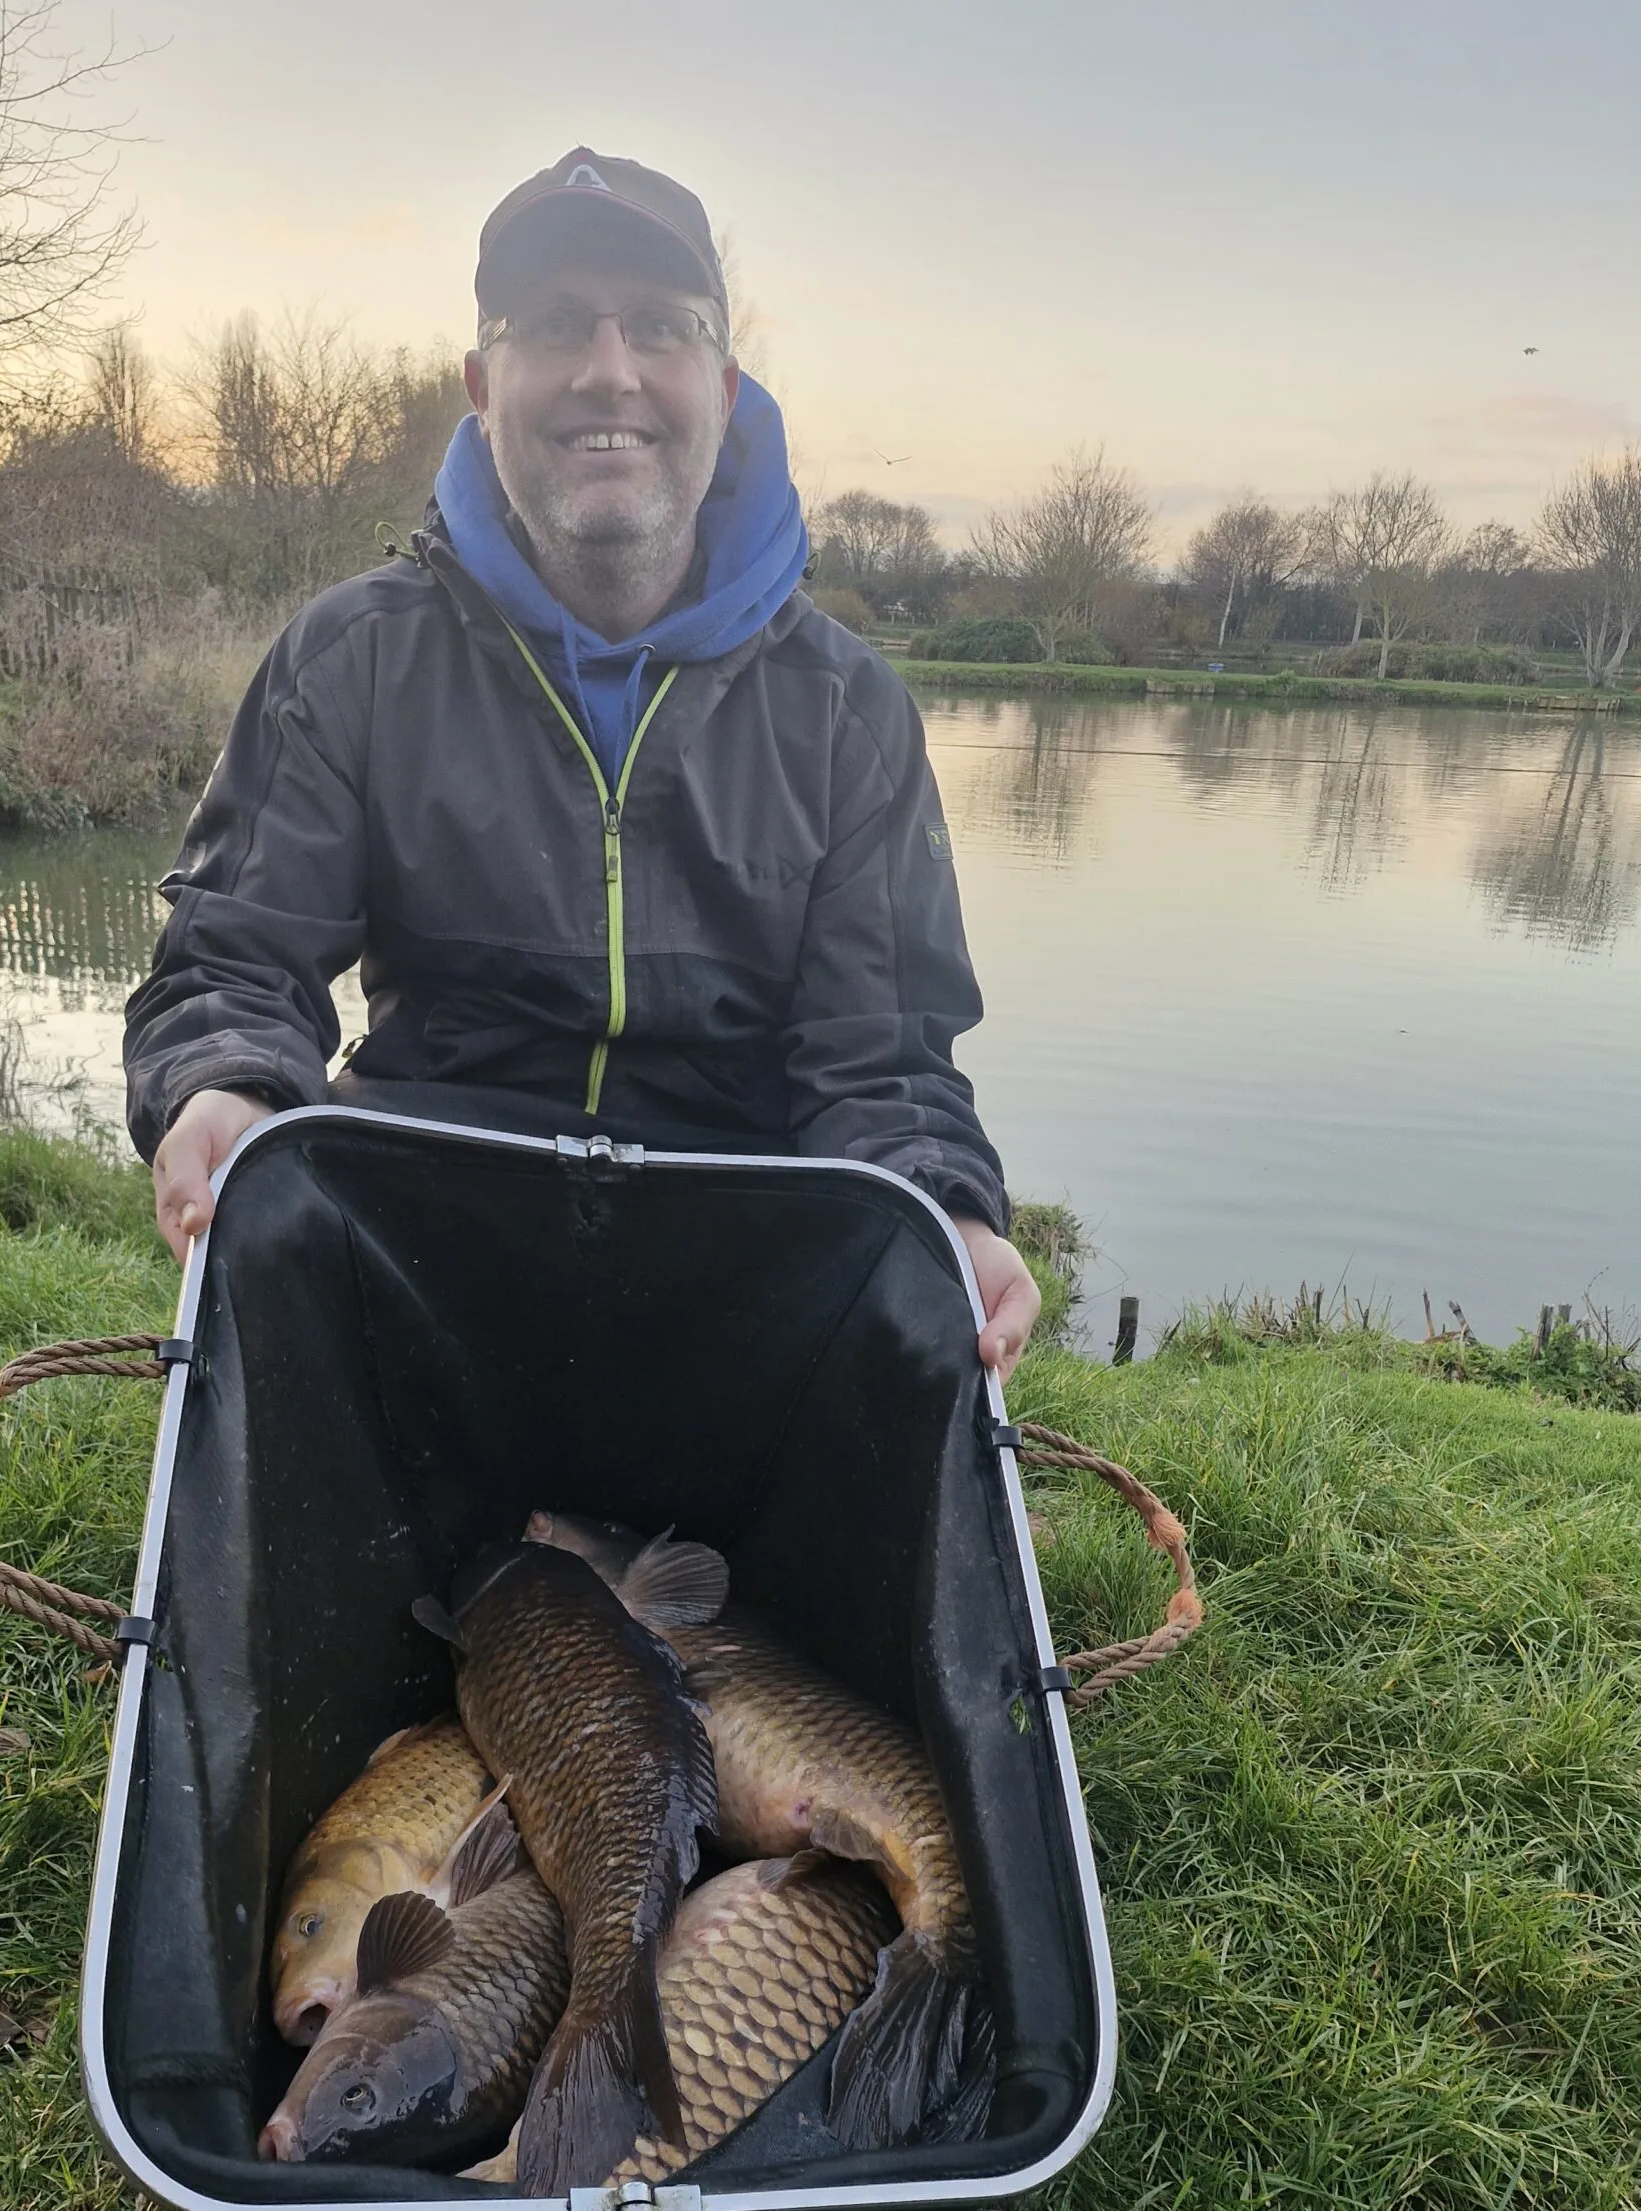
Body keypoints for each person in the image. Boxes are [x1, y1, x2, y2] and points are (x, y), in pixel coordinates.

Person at [124, 147, 1040, 1379]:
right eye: (554, 325)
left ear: (722, 381)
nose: (607, 368)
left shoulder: (850, 713)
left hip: (744, 1255)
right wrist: (224, 1089)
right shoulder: (351, 657)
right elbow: (234, 962)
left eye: (658, 326)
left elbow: (882, 1063)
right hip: (421, 1232)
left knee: (897, 1294)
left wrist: (951, 1211)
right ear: (481, 384)